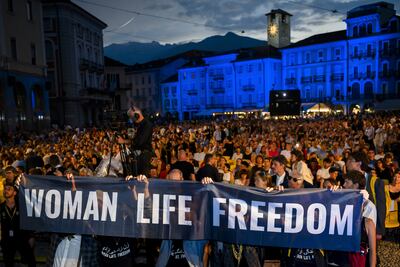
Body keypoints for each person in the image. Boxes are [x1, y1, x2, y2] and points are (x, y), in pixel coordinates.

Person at [0, 181, 36, 267]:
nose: (6, 191)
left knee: (31, 261)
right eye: (5, 189)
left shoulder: (22, 206)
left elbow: (29, 222)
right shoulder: (1, 207)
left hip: (22, 237)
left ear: (15, 193)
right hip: (7, 239)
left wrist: (31, 236)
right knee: (8, 262)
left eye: (9, 189)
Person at [118, 106, 153, 177]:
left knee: (142, 179)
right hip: (138, 156)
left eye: (131, 117)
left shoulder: (147, 124)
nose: (131, 119)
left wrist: (124, 141)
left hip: (143, 157)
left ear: (137, 115)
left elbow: (139, 141)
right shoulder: (139, 125)